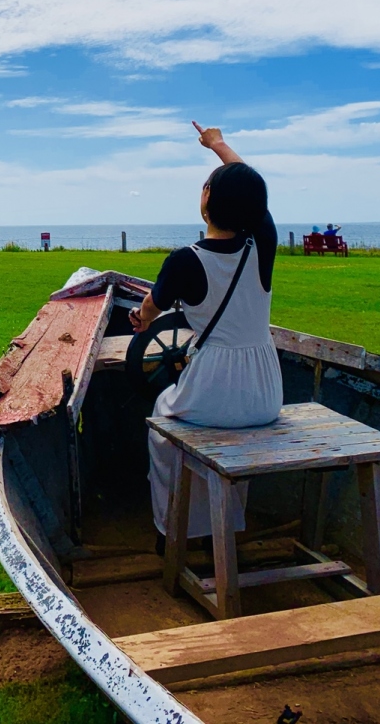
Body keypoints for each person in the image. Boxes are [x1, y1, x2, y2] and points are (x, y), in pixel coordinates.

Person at [130, 122, 282, 545]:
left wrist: (142, 320)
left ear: (207, 199)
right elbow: (252, 192)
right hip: (265, 393)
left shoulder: (185, 260)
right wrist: (218, 145)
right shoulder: (262, 244)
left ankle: (172, 529)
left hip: (212, 389)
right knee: (235, 443)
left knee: (163, 422)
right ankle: (226, 523)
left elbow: (152, 305)